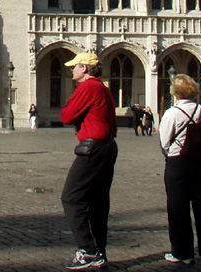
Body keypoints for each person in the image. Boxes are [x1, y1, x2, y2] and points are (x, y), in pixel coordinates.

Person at [60, 52, 117, 270]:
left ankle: (88, 250)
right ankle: (100, 250)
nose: (71, 70)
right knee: (98, 201)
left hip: (92, 147)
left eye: (74, 66)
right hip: (108, 146)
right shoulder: (103, 88)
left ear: (84, 68)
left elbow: (66, 116)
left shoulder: (88, 87)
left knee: (71, 197)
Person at [158, 74, 201, 265]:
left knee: (178, 207)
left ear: (175, 92)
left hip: (179, 162)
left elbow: (164, 142)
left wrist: (171, 154)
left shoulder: (172, 113)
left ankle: (182, 252)